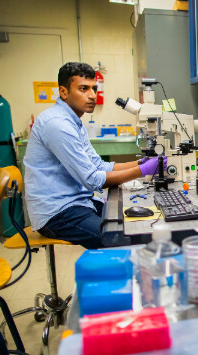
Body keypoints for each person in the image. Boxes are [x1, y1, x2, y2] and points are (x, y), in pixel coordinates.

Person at [24, 62, 166, 249]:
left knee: (139, 225)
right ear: (64, 92)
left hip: (79, 201)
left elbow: (99, 165)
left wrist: (141, 162)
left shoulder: (74, 121)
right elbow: (92, 180)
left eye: (94, 89)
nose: (92, 95)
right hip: (57, 213)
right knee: (122, 239)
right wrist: (143, 170)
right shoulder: (57, 124)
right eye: (84, 89)